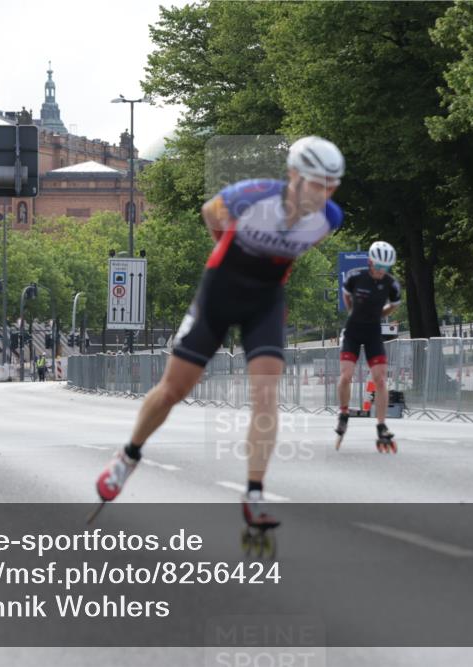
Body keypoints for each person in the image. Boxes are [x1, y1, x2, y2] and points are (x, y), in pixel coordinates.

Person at [94, 136, 346, 530]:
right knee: (173, 391)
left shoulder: (329, 219)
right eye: (317, 183)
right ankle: (128, 456)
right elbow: (210, 214)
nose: (324, 193)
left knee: (265, 395)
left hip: (265, 302)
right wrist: (230, 253)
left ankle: (254, 494)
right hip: (219, 294)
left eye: (332, 185)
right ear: (294, 175)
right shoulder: (251, 196)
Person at [334, 241, 402, 452]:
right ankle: (344, 412)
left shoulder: (391, 284)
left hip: (373, 332)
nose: (382, 271)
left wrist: (380, 314)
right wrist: (352, 310)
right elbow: (346, 294)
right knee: (346, 375)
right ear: (371, 262)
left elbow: (395, 305)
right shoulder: (355, 276)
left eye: (386, 267)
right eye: (379, 266)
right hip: (353, 331)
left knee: (380, 380)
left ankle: (381, 425)